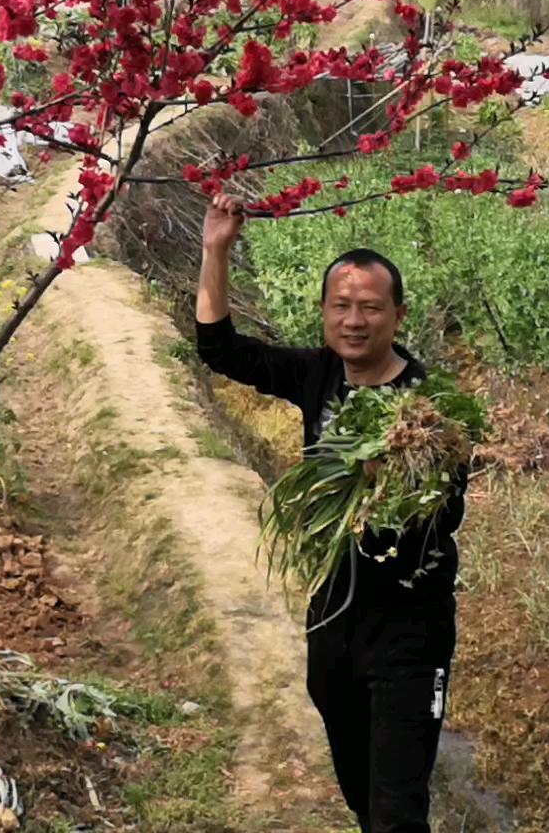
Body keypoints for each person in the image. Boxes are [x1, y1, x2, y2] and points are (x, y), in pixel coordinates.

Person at [194, 193, 463, 833]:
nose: (354, 320)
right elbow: (220, 348)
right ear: (323, 312)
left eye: (370, 307)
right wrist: (216, 250)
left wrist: (385, 484)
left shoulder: (429, 408)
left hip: (409, 627)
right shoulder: (319, 374)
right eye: (341, 306)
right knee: (358, 788)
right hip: (335, 616)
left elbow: (445, 509)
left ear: (397, 315)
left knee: (398, 810)